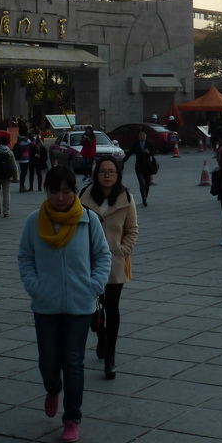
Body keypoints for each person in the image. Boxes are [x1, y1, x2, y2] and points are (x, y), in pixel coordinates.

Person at [17, 165, 112, 443]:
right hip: (45, 305)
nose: (60, 197)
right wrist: (35, 286)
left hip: (80, 306)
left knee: (73, 362)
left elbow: (102, 256)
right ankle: (52, 388)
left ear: (74, 192)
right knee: (48, 361)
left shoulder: (89, 220)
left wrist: (94, 285)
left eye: (67, 191)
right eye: (55, 191)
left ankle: (72, 417)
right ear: (46, 191)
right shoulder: (34, 221)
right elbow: (25, 257)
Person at [80, 158, 139, 380]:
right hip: (89, 261)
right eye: (103, 171)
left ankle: (111, 356)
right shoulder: (85, 196)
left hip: (114, 261)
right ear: (96, 174)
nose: (107, 175)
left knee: (111, 307)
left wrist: (123, 250)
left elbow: (132, 229)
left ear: (118, 175)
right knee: (94, 307)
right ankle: (101, 334)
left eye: (111, 171)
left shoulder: (126, 198)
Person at [122, 129, 157, 207]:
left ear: (146, 136)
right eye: (140, 135)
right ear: (138, 136)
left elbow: (154, 152)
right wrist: (123, 161)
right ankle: (143, 198)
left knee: (147, 183)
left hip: (147, 166)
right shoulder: (136, 144)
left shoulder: (149, 143)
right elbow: (130, 152)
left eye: (143, 134)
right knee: (141, 182)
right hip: (139, 166)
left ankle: (145, 197)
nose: (141, 136)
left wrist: (149, 152)